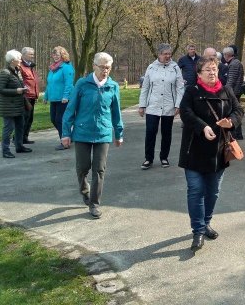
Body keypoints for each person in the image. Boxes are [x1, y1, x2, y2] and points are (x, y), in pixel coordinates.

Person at [179, 57, 243, 252]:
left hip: (219, 151)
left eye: (214, 69)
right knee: (196, 190)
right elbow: (185, 112)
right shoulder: (192, 91)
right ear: (199, 74)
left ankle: (206, 223)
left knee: (213, 191)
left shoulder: (227, 90)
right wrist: (203, 127)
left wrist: (231, 121)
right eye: (207, 70)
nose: (212, 73)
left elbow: (239, 110)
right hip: (194, 149)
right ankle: (197, 231)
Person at [61, 52, 124, 219]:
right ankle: (85, 191)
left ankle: (94, 203)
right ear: (94, 66)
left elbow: (116, 112)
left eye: (108, 68)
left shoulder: (113, 86)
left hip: (103, 133)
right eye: (102, 67)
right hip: (82, 132)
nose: (105, 71)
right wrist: (66, 133)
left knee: (99, 170)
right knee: (83, 168)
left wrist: (119, 133)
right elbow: (70, 109)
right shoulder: (82, 84)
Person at [138, 43, 185, 170]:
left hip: (169, 106)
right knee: (150, 132)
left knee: (166, 133)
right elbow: (145, 87)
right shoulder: (151, 68)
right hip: (153, 105)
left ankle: (164, 157)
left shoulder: (175, 68)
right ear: (159, 55)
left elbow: (180, 87)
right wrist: (142, 105)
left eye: (169, 54)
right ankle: (148, 158)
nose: (168, 56)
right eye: (165, 54)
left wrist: (178, 105)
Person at [0, 50, 32, 158]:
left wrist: (24, 88)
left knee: (20, 126)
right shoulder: (5, 73)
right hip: (8, 106)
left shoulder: (17, 71)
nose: (21, 60)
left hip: (18, 105)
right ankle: (5, 150)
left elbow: (18, 84)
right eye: (19, 58)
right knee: (8, 128)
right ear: (12, 60)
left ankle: (19, 146)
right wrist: (16, 91)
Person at [45, 46, 75, 150]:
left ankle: (64, 142)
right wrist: (46, 96)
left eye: (58, 54)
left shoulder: (66, 67)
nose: (55, 56)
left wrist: (66, 96)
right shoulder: (53, 68)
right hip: (54, 98)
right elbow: (49, 83)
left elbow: (69, 83)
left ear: (63, 55)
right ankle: (69, 136)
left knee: (60, 120)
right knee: (53, 119)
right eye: (54, 54)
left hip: (63, 99)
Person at [19, 47, 39, 145]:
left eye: (33, 54)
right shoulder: (20, 66)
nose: (32, 56)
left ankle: (24, 138)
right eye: (30, 54)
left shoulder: (30, 66)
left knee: (29, 118)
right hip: (25, 96)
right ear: (23, 55)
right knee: (24, 118)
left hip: (32, 96)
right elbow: (20, 81)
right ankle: (18, 138)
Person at [223, 46, 244, 139]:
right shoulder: (236, 62)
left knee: (234, 113)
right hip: (236, 91)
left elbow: (231, 81)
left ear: (226, 55)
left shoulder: (234, 64)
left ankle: (237, 134)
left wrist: (225, 93)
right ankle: (238, 134)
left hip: (234, 93)